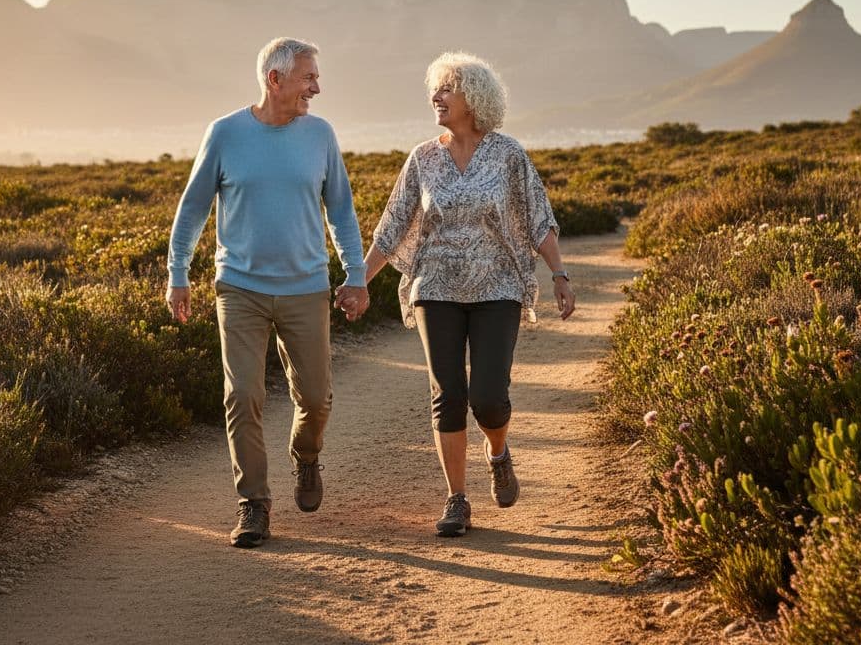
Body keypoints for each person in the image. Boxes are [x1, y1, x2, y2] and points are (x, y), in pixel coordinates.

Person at [360, 52, 575, 537]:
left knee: (489, 399)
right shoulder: (423, 157)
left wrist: (559, 274)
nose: (436, 98)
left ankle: (498, 450)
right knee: (448, 395)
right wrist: (360, 281)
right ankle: (456, 499)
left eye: (446, 90)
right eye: (434, 90)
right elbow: (392, 226)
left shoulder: (508, 155)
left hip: (497, 285)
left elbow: (538, 218)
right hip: (434, 286)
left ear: (473, 99)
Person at [166, 37, 370, 549]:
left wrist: (356, 274)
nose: (317, 88)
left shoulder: (320, 135)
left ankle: (305, 455)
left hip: (306, 288)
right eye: (308, 78)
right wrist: (178, 274)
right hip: (239, 288)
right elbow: (192, 211)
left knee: (316, 398)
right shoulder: (225, 134)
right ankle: (253, 504)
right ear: (274, 79)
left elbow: (341, 211)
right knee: (242, 395)